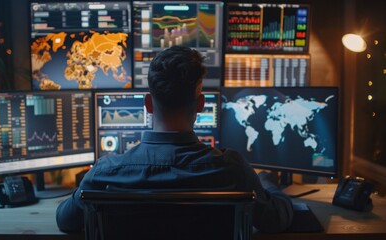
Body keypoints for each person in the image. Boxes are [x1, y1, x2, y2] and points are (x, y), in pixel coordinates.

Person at [56, 46, 293, 234]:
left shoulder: (106, 171)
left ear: (148, 104)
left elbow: (65, 221)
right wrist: (268, 183)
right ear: (200, 105)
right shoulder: (231, 168)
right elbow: (276, 220)